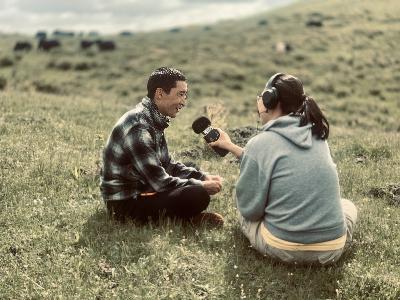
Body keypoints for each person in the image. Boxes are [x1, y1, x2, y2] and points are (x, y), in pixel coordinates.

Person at [210, 73, 358, 265]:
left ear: (269, 100)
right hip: (331, 250)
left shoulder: (260, 144)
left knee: (242, 208)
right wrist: (230, 147)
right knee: (347, 205)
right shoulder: (317, 135)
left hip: (284, 248)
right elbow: (274, 157)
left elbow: (250, 210)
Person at [100, 67, 224, 226]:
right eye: (180, 94)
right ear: (159, 94)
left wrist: (202, 176)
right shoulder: (139, 127)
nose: (184, 102)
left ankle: (181, 217)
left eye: (185, 95)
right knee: (197, 195)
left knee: (192, 169)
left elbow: (167, 164)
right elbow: (159, 182)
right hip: (124, 204)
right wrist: (202, 185)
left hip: (142, 188)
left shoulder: (152, 117)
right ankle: (183, 220)